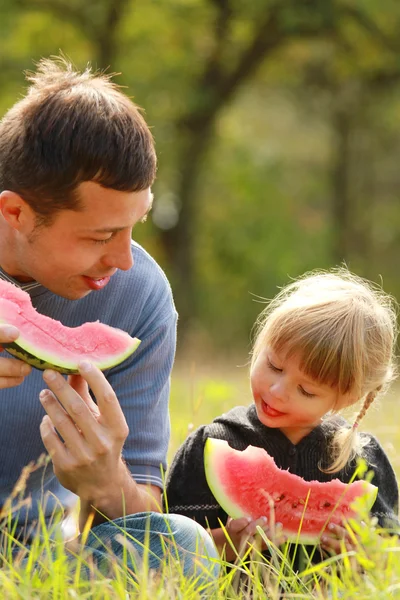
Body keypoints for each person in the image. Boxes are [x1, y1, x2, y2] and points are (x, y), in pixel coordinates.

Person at [0, 57, 218, 581]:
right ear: (16, 213)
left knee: (185, 547)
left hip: (33, 555)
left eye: (132, 228)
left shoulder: (140, 296)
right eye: (99, 237)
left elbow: (140, 506)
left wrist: (104, 481)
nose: (123, 260)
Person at [165, 269, 400, 568]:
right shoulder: (211, 445)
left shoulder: (365, 463)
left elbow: (389, 557)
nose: (276, 391)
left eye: (305, 390)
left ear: (347, 398)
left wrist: (367, 557)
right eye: (274, 366)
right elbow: (168, 549)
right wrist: (220, 546)